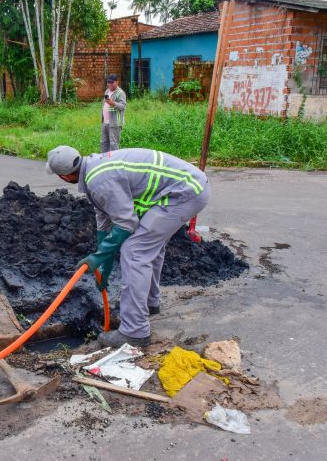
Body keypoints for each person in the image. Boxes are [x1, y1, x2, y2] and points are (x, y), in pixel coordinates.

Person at [46, 145, 209, 347]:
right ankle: (149, 303)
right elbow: (104, 221)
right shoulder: (95, 170)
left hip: (185, 193)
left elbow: (126, 223)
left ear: (65, 177)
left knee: (135, 251)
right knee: (149, 244)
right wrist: (103, 263)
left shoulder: (99, 181)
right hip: (187, 186)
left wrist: (98, 257)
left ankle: (135, 331)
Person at [101, 74, 126, 152]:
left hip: (114, 123)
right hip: (105, 122)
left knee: (113, 144)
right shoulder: (107, 91)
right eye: (108, 82)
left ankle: (114, 161)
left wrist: (113, 103)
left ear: (117, 82)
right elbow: (105, 104)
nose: (110, 84)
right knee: (104, 142)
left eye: (112, 82)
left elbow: (123, 106)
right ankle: (104, 160)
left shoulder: (120, 93)